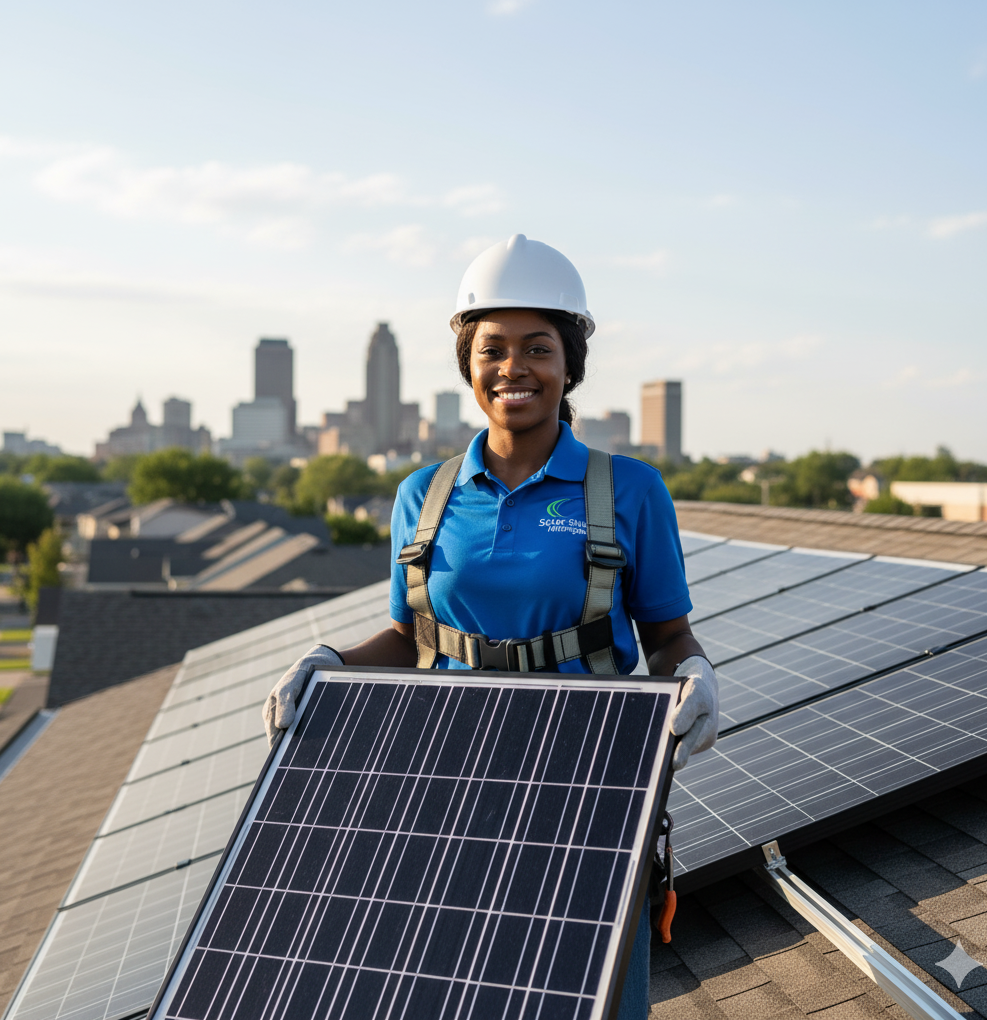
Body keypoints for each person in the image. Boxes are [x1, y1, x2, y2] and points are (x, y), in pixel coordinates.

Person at [264, 234, 719, 1020]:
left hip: (593, 788)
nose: (515, 368)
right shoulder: (424, 494)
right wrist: (327, 661)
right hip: (446, 784)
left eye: (537, 348)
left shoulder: (630, 490)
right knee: (455, 985)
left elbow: (669, 635)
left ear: (569, 364)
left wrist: (696, 675)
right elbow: (411, 640)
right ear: (469, 366)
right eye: (493, 348)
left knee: (594, 995)